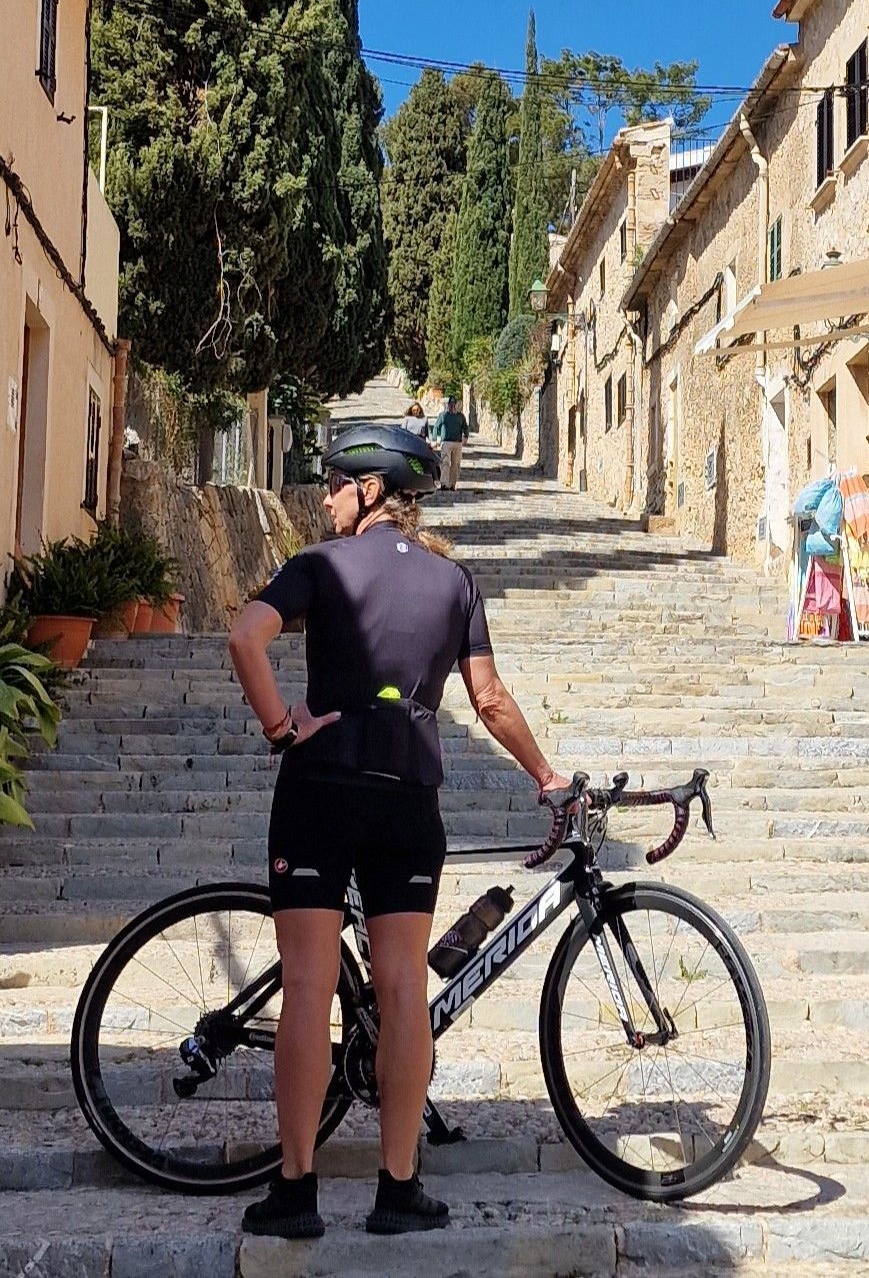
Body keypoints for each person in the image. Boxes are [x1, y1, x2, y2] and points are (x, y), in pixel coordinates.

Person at [227, 422, 568, 1241]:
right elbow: (488, 701)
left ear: (371, 490)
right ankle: (398, 1188)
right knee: (405, 987)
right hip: (407, 797)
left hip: (319, 788)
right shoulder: (455, 583)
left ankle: (298, 1192)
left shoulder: (319, 565)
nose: (328, 497)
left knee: (309, 984)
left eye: (338, 484)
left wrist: (280, 728)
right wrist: (546, 776)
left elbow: (245, 636)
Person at [433, 395, 468, 491]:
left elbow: (465, 427)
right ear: (448, 405)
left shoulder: (460, 416)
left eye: (454, 404)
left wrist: (466, 436)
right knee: (445, 462)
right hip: (446, 442)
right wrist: (434, 439)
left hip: (457, 443)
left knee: (456, 464)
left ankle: (452, 483)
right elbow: (436, 427)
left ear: (456, 405)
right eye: (450, 404)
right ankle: (444, 483)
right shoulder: (443, 415)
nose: (452, 406)